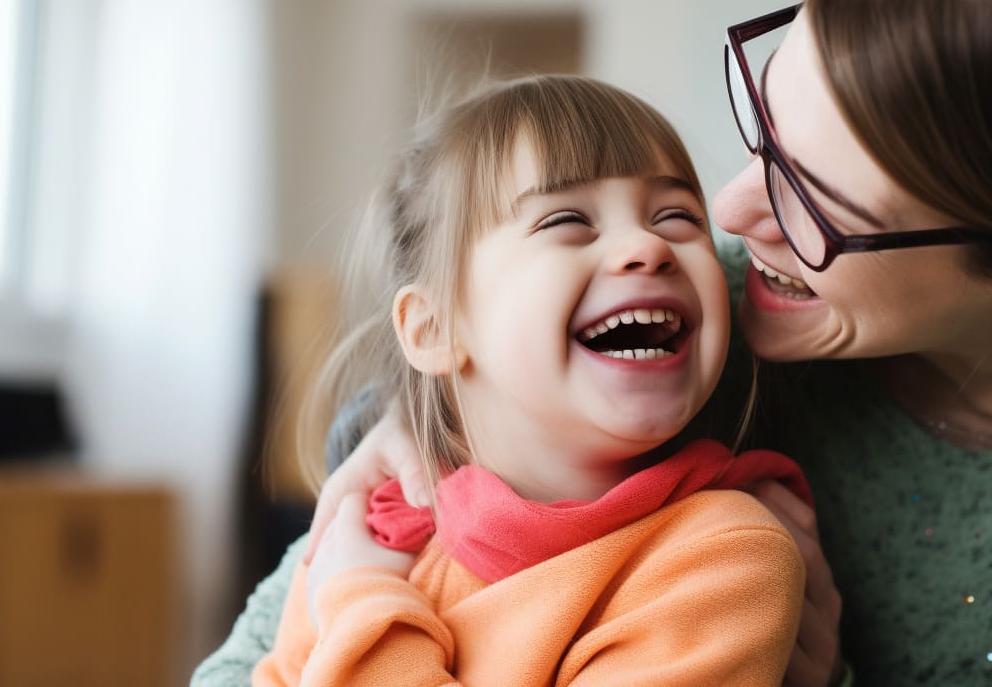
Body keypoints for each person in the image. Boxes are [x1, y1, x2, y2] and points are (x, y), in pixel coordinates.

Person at [197, 0, 992, 686]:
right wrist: (431, 414)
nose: (731, 218)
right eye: (763, 131)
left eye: (817, 201)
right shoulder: (705, 317)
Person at [243, 75, 808, 686]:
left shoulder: (725, 558)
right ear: (434, 330)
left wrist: (360, 605)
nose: (648, 246)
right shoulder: (373, 530)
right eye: (568, 219)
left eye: (676, 216)